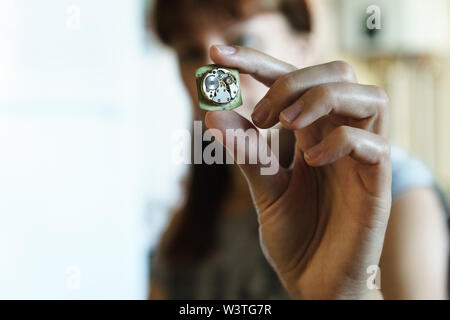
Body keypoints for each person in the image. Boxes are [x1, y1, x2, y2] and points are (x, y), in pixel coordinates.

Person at [148, 0, 449, 299]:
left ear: (304, 49)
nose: (211, 71)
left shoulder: (385, 191)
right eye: (189, 53)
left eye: (243, 40)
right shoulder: (187, 224)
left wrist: (345, 293)